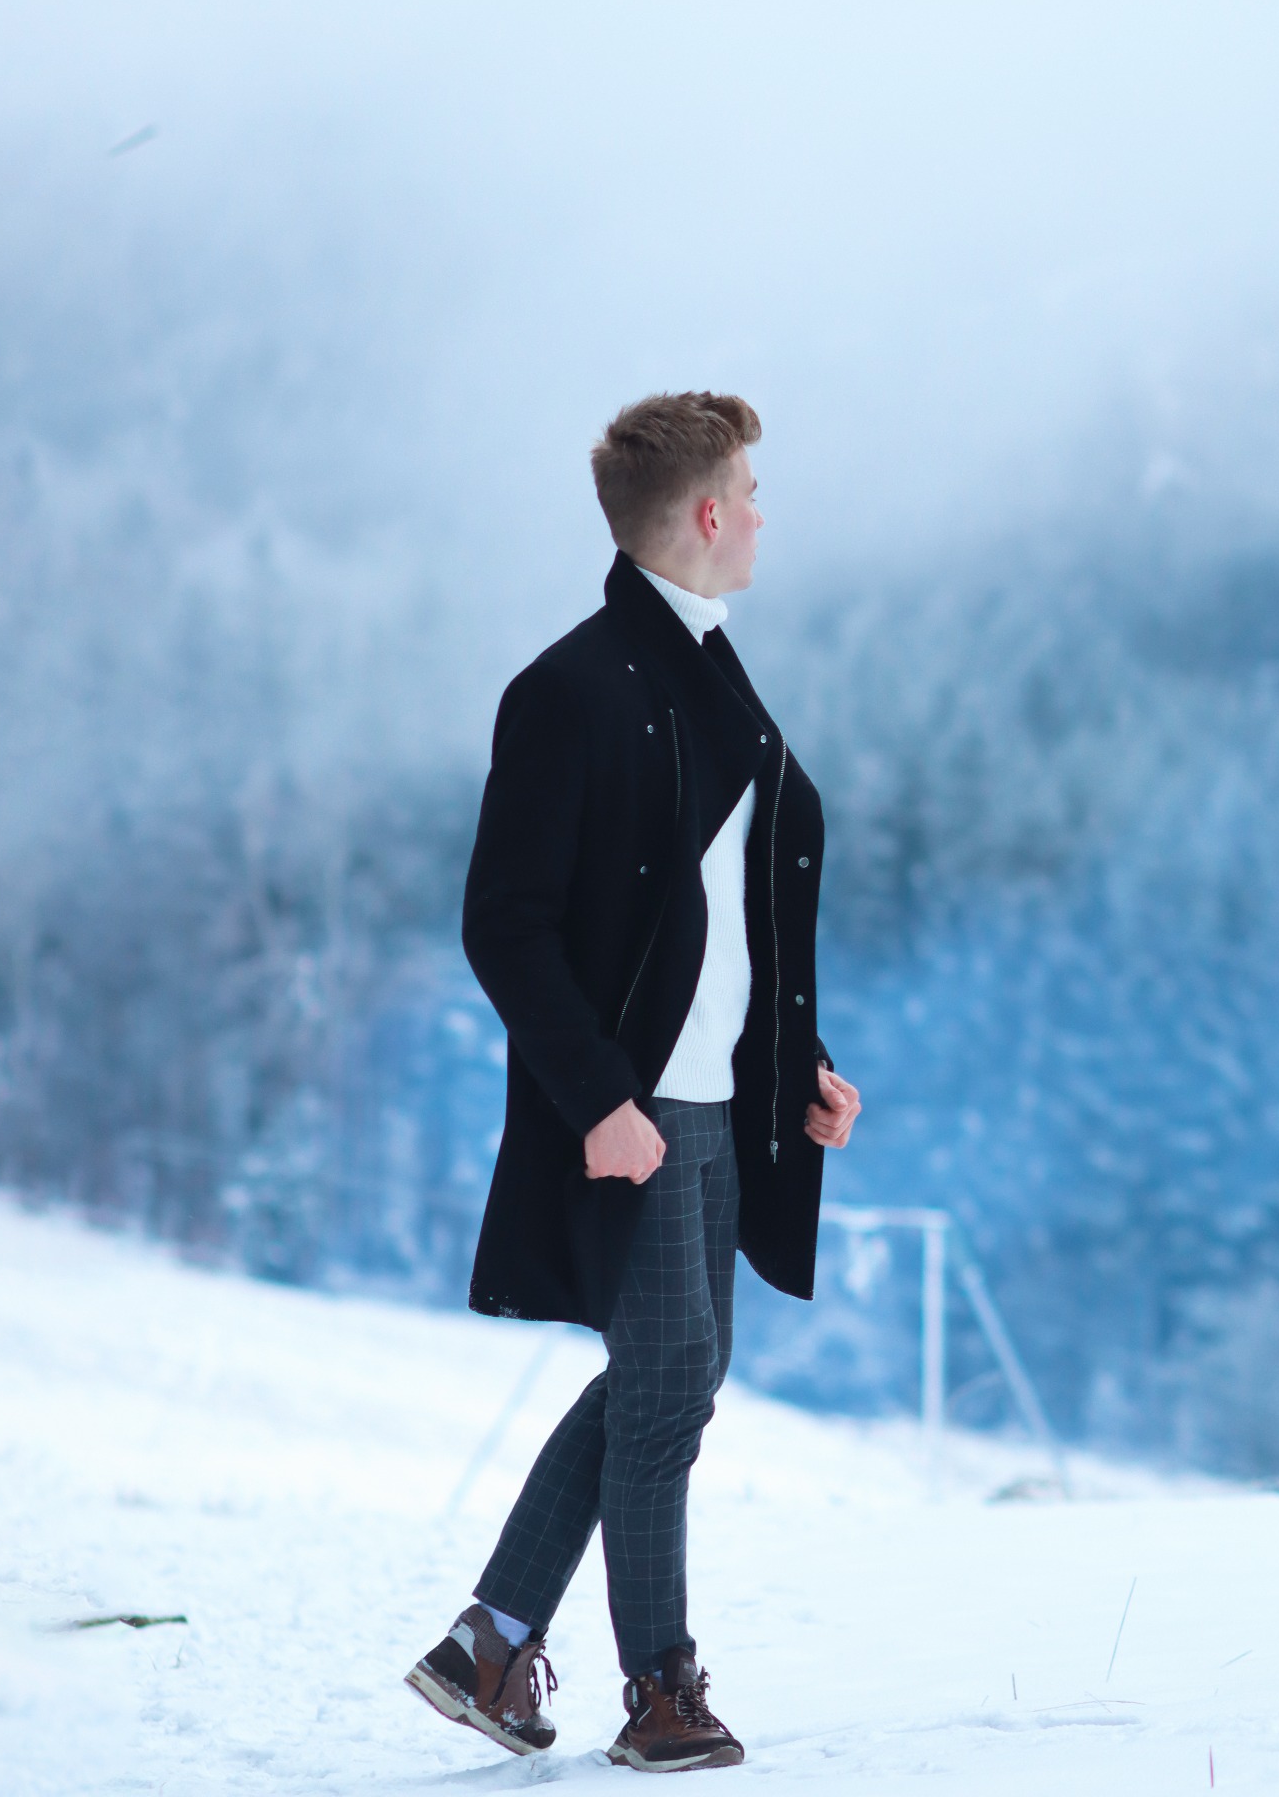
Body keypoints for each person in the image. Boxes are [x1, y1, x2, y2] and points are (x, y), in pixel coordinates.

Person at [405, 391, 862, 1772]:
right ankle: (661, 1689)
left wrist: (803, 1071)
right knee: (666, 1391)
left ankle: (490, 1643)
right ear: (710, 512)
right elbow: (505, 922)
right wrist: (599, 1100)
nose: (767, 514)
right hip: (637, 1111)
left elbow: (725, 910)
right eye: (754, 491)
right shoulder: (571, 688)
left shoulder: (710, 670)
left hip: (720, 1105)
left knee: (672, 1376)